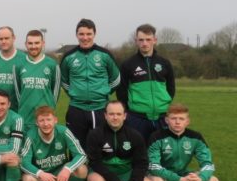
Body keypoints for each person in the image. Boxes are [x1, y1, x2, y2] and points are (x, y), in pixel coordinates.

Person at [147, 103, 221, 181]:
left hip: (183, 175)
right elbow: (153, 166)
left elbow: (208, 164)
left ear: (187, 121)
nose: (177, 122)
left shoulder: (196, 137)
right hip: (162, 177)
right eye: (173, 118)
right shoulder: (156, 136)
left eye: (181, 119)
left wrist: (200, 178)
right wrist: (179, 179)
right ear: (167, 120)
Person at [85, 101, 153, 181]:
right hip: (103, 171)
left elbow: (141, 164)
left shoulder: (135, 135)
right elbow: (95, 162)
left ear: (125, 116)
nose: (115, 117)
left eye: (118, 114)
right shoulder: (95, 134)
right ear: (105, 115)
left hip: (125, 171)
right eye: (111, 114)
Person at [60, 18, 120, 147]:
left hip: (100, 108)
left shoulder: (105, 55)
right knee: (76, 147)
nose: (85, 37)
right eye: (81, 34)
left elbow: (116, 79)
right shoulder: (68, 57)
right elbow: (64, 80)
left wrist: (105, 91)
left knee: (102, 146)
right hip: (76, 109)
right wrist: (73, 93)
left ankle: (98, 168)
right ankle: (78, 167)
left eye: (88, 34)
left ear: (94, 34)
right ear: (76, 35)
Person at [20, 106, 87, 181]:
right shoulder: (31, 135)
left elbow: (81, 155)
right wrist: (41, 173)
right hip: (41, 177)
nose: (46, 124)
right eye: (42, 120)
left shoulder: (64, 131)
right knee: (28, 180)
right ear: (37, 122)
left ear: (55, 120)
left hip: (60, 175)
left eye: (48, 119)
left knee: (82, 169)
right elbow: (23, 162)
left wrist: (67, 169)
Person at [117, 24, 176, 141]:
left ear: (154, 40)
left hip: (162, 117)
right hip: (137, 118)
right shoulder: (127, 64)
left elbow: (171, 88)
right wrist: (130, 110)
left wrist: (163, 104)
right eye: (141, 40)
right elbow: (121, 91)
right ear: (136, 41)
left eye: (148, 39)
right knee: (139, 154)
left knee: (162, 153)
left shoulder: (165, 63)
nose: (144, 43)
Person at [14, 29, 60, 132]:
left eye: (37, 43)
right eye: (30, 43)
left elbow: (55, 91)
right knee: (25, 147)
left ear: (43, 43)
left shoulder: (52, 64)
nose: (33, 46)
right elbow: (17, 92)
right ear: (26, 44)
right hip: (25, 117)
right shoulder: (18, 64)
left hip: (45, 119)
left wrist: (49, 109)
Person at [0, 26, 26, 110]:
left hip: (18, 107)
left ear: (14, 38)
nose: (3, 41)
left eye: (7, 38)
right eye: (0, 39)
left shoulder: (24, 58)